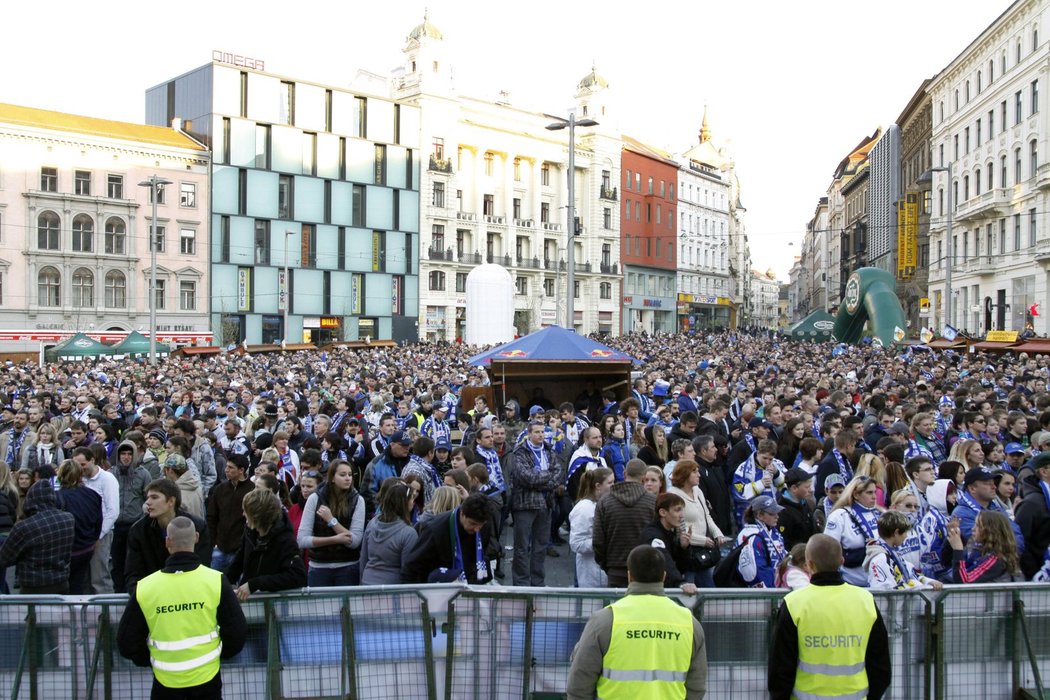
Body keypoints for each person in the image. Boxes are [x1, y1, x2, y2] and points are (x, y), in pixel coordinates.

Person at [117, 516, 247, 699]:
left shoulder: (146, 587)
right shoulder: (215, 581)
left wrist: (151, 659)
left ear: (167, 542)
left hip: (165, 681)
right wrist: (216, 655)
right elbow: (237, 633)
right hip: (207, 678)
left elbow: (126, 642)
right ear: (196, 537)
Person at [566, 545, 707, 700]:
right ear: (663, 577)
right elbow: (696, 687)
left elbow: (579, 684)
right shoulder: (689, 623)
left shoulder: (605, 620)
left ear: (629, 576)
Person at [768, 534, 891, 700]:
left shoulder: (794, 603)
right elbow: (880, 666)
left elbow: (780, 669)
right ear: (842, 562)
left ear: (809, 564)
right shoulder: (865, 601)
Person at [125, 479, 212, 590]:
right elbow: (133, 574)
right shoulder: (138, 531)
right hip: (154, 596)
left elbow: (202, 566)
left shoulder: (196, 526)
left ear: (171, 501)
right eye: (148, 497)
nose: (148, 502)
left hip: (189, 594)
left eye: (154, 497)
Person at [225, 489, 306, 600]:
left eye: (246, 511)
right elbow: (238, 561)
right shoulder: (249, 532)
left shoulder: (285, 540)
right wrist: (222, 583)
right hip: (250, 600)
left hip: (276, 602)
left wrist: (255, 584)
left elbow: (297, 576)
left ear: (257, 515)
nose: (243, 514)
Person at [508, 421, 562, 586]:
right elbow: (526, 477)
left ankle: (538, 582)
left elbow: (558, 472)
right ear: (529, 434)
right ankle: (521, 583)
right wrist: (547, 477)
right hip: (525, 504)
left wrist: (541, 477)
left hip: (546, 504)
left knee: (540, 547)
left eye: (542, 432)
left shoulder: (549, 451)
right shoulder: (519, 453)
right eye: (537, 432)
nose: (540, 435)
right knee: (522, 548)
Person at [296, 459, 365, 586]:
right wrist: (336, 539)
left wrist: (331, 521)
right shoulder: (315, 498)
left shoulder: (358, 500)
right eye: (343, 475)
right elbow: (302, 540)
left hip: (348, 566)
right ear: (332, 477)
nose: (348, 478)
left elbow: (354, 541)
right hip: (319, 567)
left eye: (350, 475)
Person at [0, 481, 75, 594]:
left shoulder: (25, 527)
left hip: (33, 587)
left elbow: (4, 558)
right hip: (61, 582)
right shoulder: (68, 519)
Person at [402, 492, 493, 584]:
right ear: (462, 513)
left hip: (471, 585)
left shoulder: (485, 525)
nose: (477, 529)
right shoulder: (435, 529)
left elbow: (481, 554)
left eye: (480, 525)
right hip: (439, 589)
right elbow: (411, 567)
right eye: (472, 523)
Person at [593, 460, 658, 587]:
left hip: (615, 569)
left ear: (624, 473)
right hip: (645, 568)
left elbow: (598, 541)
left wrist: (606, 564)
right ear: (644, 478)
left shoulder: (605, 502)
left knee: (617, 606)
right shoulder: (653, 502)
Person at [666, 459, 728, 588]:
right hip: (687, 553)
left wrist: (717, 534)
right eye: (695, 472)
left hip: (704, 551)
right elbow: (677, 529)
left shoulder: (697, 491)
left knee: (709, 588)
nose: (699, 475)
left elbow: (707, 516)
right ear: (685, 474)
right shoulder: (673, 495)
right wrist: (702, 540)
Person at [73, 445, 119, 594]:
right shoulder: (78, 479)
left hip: (101, 535)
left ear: (92, 460)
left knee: (99, 576)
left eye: (83, 465)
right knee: (83, 578)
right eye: (77, 465)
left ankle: (107, 612)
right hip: (83, 534)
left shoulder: (107, 479)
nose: (80, 468)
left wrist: (99, 535)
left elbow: (112, 511)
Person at [55, 459, 102, 594]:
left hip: (66, 552)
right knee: (78, 587)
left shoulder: (56, 497)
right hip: (86, 549)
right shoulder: (93, 495)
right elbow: (98, 522)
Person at [360, 478, 419, 584]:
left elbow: (363, 558)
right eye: (412, 499)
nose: (413, 503)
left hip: (367, 583)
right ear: (404, 502)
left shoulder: (372, 523)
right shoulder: (409, 533)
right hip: (392, 591)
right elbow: (408, 571)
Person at [823, 475, 881, 586]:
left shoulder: (878, 514)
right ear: (856, 494)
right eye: (869, 493)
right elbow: (829, 550)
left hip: (878, 581)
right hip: (850, 582)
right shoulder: (839, 516)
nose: (874, 497)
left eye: (875, 492)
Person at [865, 511, 942, 590]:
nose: (906, 536)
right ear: (896, 533)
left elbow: (912, 573)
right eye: (905, 532)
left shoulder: (892, 553)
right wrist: (915, 586)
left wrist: (928, 581)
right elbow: (884, 591)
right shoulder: (880, 558)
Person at [637, 492, 698, 592]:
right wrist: (679, 583)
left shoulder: (670, 533)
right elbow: (664, 562)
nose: (682, 515)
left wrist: (683, 548)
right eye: (677, 510)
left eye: (682, 510)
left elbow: (680, 568)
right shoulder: (652, 535)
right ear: (663, 512)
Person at [947, 510, 1024, 583]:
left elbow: (964, 582)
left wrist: (958, 550)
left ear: (991, 531)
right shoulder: (978, 550)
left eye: (978, 526)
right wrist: (953, 535)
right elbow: (947, 562)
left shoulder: (997, 559)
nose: (973, 529)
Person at [206, 454, 254, 573]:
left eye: (231, 467)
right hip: (219, 548)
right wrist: (213, 543)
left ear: (241, 470)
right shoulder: (220, 489)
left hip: (240, 550)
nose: (226, 470)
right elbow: (212, 517)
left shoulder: (253, 490)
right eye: (227, 466)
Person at [569, 467, 613, 588]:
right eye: (610, 483)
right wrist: (603, 542)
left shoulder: (604, 504)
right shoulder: (584, 508)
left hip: (604, 571)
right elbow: (576, 543)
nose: (614, 486)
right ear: (598, 486)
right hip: (591, 574)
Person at [736, 495, 787, 588]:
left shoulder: (773, 531)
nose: (777, 516)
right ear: (759, 515)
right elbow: (753, 571)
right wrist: (771, 589)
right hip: (763, 594)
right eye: (772, 513)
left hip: (778, 587)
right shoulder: (751, 535)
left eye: (777, 512)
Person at [1015, 452, 1050, 579]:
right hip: (1040, 575)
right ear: (1044, 472)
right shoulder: (1031, 503)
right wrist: (1034, 573)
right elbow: (1021, 541)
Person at [776, 467, 815, 550]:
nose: (811, 490)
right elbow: (784, 543)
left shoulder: (804, 503)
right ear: (794, 488)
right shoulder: (783, 512)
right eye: (807, 487)